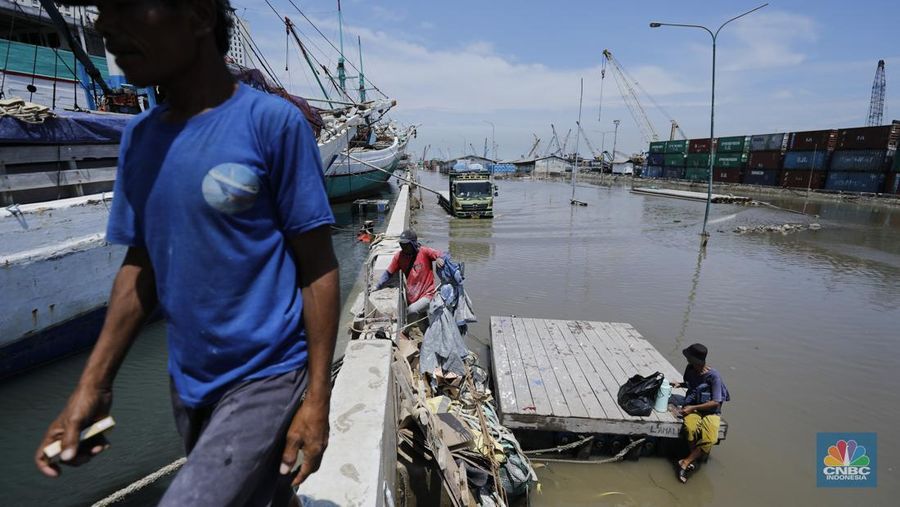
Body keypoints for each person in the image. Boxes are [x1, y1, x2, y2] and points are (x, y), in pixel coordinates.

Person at [35, 2, 338, 505]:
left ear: (198, 16)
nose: (105, 25)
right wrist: (93, 384)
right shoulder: (140, 138)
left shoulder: (274, 125)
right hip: (190, 382)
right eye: (101, 12)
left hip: (269, 373)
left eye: (127, 7)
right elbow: (141, 269)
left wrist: (317, 399)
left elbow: (318, 267)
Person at [672, 343, 730, 483]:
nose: (687, 360)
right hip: (693, 408)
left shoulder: (714, 376)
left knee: (709, 439)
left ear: (695, 360)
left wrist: (692, 408)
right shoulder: (690, 369)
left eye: (689, 358)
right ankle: (692, 461)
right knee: (690, 428)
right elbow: (691, 384)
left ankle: (685, 462)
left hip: (710, 412)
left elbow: (716, 402)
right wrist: (680, 384)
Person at [374, 229, 444, 317]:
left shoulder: (424, 252)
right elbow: (388, 273)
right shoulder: (399, 257)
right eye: (402, 244)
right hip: (412, 296)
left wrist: (438, 258)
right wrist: (377, 286)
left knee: (411, 311)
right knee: (422, 323)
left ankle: (405, 331)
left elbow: (441, 254)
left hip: (427, 294)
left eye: (406, 245)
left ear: (413, 244)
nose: (403, 247)